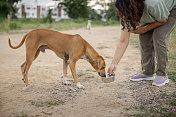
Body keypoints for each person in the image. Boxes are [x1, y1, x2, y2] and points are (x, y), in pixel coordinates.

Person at [108, 0, 176, 86]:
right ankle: (147, 73)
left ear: (134, 6)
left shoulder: (152, 3)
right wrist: (114, 64)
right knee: (144, 38)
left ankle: (162, 74)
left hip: (170, 10)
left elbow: (163, 20)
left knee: (159, 36)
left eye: (128, 12)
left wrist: (144, 29)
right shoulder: (126, 13)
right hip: (152, 13)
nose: (126, 16)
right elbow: (123, 42)